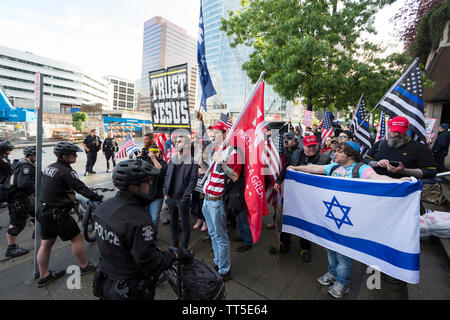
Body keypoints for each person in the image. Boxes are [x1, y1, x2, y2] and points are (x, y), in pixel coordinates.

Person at [288, 141, 410, 298]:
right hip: (331, 219)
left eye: (339, 151)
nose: (335, 154)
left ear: (350, 154)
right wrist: (296, 168)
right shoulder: (333, 167)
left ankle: (342, 283)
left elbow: (377, 177)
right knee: (330, 248)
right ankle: (332, 273)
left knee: (344, 254)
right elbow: (315, 168)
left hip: (349, 222)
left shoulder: (361, 169)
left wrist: (397, 181)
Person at [93, 159, 190, 300]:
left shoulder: (104, 207)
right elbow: (150, 263)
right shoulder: (139, 219)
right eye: (147, 180)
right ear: (133, 187)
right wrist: (174, 256)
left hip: (106, 281)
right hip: (129, 288)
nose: (151, 183)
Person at [37, 142, 103, 288]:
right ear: (65, 156)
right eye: (73, 154)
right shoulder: (67, 171)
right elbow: (81, 188)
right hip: (58, 214)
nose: (76, 156)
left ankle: (43, 275)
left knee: (45, 244)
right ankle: (85, 266)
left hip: (44, 211)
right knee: (77, 238)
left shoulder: (50, 168)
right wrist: (97, 197)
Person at [271, 135, 330, 262]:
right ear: (303, 146)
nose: (312, 149)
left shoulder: (324, 159)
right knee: (288, 218)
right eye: (309, 146)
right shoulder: (296, 155)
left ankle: (305, 248)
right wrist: (278, 181)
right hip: (294, 195)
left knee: (306, 221)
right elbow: (285, 168)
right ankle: (284, 243)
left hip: (312, 197)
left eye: (314, 146)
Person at [202, 120, 243, 281]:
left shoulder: (234, 153)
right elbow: (213, 174)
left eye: (217, 132)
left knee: (221, 237)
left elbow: (234, 176)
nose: (213, 134)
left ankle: (225, 270)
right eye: (213, 131)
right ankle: (218, 262)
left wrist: (221, 161)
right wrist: (202, 167)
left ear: (225, 134)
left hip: (217, 201)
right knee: (213, 234)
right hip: (207, 199)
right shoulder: (216, 150)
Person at [364, 116, 437, 180]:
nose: (396, 134)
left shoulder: (420, 148)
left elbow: (431, 172)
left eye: (400, 131)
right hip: (376, 187)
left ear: (407, 129)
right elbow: (365, 160)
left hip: (404, 190)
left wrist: (404, 171)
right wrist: (377, 163)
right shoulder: (380, 144)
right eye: (394, 131)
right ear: (389, 128)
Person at [163, 135, 198, 249]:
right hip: (171, 197)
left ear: (186, 145)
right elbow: (167, 177)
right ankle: (175, 245)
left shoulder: (192, 162)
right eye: (176, 142)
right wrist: (165, 193)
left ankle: (184, 248)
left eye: (180, 142)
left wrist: (185, 197)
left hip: (182, 199)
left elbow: (193, 182)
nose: (176, 144)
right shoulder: (172, 159)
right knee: (173, 222)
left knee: (185, 224)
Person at [4, 146, 38, 258]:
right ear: (31, 155)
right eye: (36, 155)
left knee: (34, 211)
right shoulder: (26, 166)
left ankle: (36, 232)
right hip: (18, 199)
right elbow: (23, 184)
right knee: (17, 223)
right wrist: (36, 185)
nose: (37, 157)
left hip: (22, 198)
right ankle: (11, 248)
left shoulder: (22, 163)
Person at [138, 144, 167, 241]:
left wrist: (154, 158)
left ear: (158, 153)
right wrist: (139, 156)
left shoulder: (162, 162)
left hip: (157, 196)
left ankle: (153, 238)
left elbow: (160, 169)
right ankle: (146, 236)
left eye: (155, 152)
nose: (152, 154)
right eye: (151, 152)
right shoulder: (145, 161)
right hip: (145, 195)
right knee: (144, 218)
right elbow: (136, 167)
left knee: (154, 219)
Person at [0, 141, 14, 213]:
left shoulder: (3, 157)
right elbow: (8, 169)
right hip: (2, 182)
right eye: (9, 150)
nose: (10, 151)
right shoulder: (2, 160)